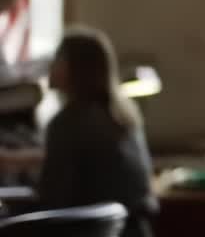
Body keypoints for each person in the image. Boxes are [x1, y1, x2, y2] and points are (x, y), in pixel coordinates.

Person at [38, 26, 158, 237]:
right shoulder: (122, 116)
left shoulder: (67, 123)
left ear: (76, 68)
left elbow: (52, 197)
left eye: (58, 58)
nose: (51, 65)